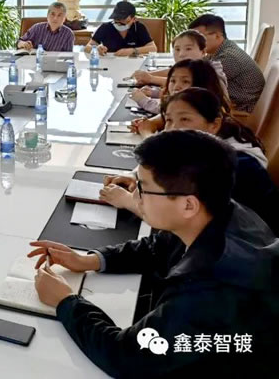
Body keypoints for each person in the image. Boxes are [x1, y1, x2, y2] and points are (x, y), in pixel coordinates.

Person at [28, 130, 277, 377]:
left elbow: (126, 357)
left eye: (143, 188)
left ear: (188, 204)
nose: (134, 196)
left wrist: (65, 302)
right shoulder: (222, 212)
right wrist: (89, 260)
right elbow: (158, 246)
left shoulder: (208, 288)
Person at [104, 88, 279, 235]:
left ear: (214, 124)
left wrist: (128, 200)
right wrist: (138, 178)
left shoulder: (231, 166)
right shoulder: (203, 151)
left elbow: (184, 222)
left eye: (185, 119)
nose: (172, 128)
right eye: (168, 120)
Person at [189, 14, 265, 112]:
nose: (195, 42)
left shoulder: (229, 57)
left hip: (241, 110)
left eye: (199, 37)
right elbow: (195, 68)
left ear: (217, 35)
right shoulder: (219, 51)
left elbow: (197, 81)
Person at [131, 29, 227, 90]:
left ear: (203, 51)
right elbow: (173, 72)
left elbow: (187, 86)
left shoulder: (209, 70)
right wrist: (147, 75)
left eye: (188, 49)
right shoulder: (190, 67)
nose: (181, 54)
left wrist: (151, 79)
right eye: (177, 49)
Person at [130, 58, 228, 116]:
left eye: (185, 81)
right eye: (172, 81)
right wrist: (154, 93)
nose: (176, 86)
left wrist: (142, 100)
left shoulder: (198, 108)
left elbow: (167, 110)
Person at [84, 0, 157, 56]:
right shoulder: (105, 27)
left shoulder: (138, 27)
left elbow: (153, 48)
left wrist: (133, 51)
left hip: (134, 64)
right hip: (111, 65)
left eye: (123, 21)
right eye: (116, 20)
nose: (119, 23)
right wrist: (96, 49)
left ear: (133, 19)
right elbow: (87, 47)